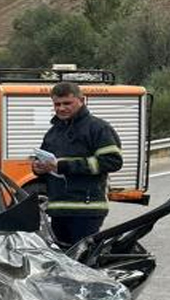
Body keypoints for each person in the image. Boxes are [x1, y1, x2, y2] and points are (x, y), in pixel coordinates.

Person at [32, 81, 124, 246]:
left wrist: (63, 166)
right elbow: (45, 162)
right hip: (58, 209)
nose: (61, 108)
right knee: (66, 262)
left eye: (67, 103)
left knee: (83, 263)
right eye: (57, 104)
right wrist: (38, 168)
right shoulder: (53, 132)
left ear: (82, 100)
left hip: (87, 209)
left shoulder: (98, 128)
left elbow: (112, 161)